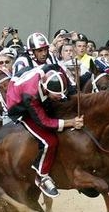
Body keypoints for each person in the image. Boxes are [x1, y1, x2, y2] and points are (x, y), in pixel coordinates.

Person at [6, 67, 83, 198]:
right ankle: (41, 177)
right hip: (19, 106)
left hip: (27, 82)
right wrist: (71, 122)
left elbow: (58, 67)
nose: (61, 97)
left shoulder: (52, 70)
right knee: (49, 141)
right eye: (57, 95)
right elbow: (44, 122)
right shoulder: (31, 96)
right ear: (46, 90)